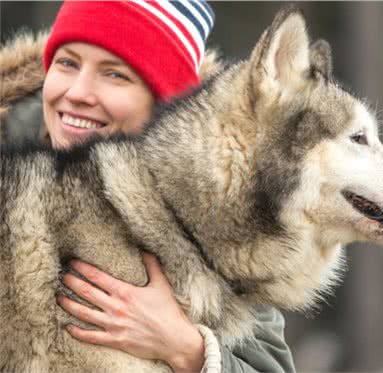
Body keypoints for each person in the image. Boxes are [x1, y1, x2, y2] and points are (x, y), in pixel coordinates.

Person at [0, 1, 296, 373]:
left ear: (164, 103)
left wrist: (185, 349)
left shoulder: (215, 223)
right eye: (68, 63)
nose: (77, 92)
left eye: (115, 75)